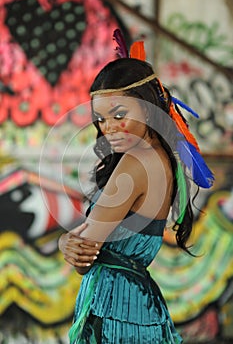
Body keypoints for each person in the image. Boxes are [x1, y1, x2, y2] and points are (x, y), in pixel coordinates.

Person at [59, 36, 214, 343]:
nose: (109, 128)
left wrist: (67, 242)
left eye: (119, 115)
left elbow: (84, 256)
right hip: (139, 303)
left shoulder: (135, 163)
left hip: (116, 307)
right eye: (101, 119)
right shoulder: (161, 157)